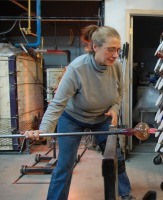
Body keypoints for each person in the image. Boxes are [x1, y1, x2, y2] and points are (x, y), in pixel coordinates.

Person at [24, 25, 136, 200]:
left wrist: (114, 109)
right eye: (110, 49)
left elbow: (119, 92)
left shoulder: (116, 66)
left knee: (116, 158)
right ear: (95, 47)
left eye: (118, 50)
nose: (115, 55)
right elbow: (57, 104)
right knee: (65, 165)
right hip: (73, 118)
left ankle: (126, 194)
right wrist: (42, 129)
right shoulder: (77, 68)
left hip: (101, 118)